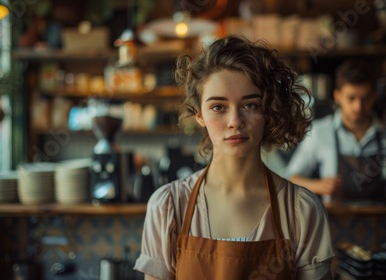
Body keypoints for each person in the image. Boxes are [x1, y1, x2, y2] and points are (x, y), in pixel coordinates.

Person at [134, 36, 334, 279]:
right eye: (218, 107)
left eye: (250, 105)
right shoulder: (168, 206)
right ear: (199, 116)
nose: (235, 122)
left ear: (268, 110)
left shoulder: (302, 210)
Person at [285, 60, 386, 202]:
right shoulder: (320, 132)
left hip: (380, 221)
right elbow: (290, 178)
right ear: (338, 96)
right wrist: (318, 185)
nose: (358, 107)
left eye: (365, 98)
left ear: (374, 97)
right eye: (351, 98)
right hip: (336, 221)